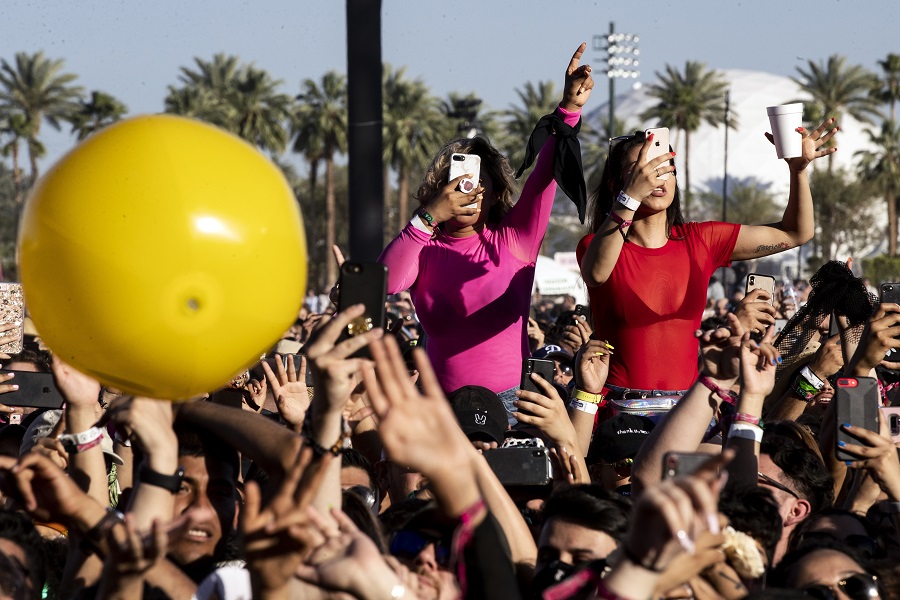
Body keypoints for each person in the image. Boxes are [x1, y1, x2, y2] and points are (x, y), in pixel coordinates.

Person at [378, 44, 594, 395]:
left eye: (480, 183)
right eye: (457, 182)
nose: (468, 191)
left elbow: (544, 176)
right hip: (440, 408)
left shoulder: (515, 238)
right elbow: (386, 282)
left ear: (495, 194)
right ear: (439, 188)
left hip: (510, 406)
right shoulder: (423, 244)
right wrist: (429, 216)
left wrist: (569, 109)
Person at [576, 118, 838, 395]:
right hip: (619, 413)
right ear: (615, 184)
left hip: (684, 414)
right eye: (643, 169)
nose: (657, 176)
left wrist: (798, 171)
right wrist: (629, 198)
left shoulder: (702, 240)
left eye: (666, 167)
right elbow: (596, 273)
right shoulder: (596, 245)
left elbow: (796, 232)